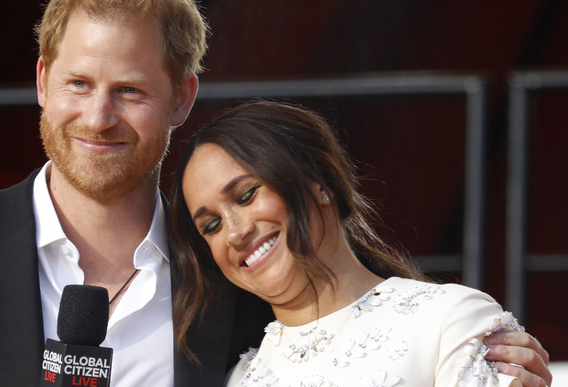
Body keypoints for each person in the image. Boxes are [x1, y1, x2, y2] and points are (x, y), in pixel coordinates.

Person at [0, 0, 551, 387]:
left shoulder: (232, 277)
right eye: (78, 84)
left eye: (129, 90)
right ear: (42, 82)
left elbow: (348, 337)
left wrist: (491, 359)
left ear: (181, 97)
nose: (98, 118)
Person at [169, 100, 553, 386]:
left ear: (318, 182)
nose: (235, 233)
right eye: (212, 225)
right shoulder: (237, 378)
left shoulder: (450, 321)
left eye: (247, 195)